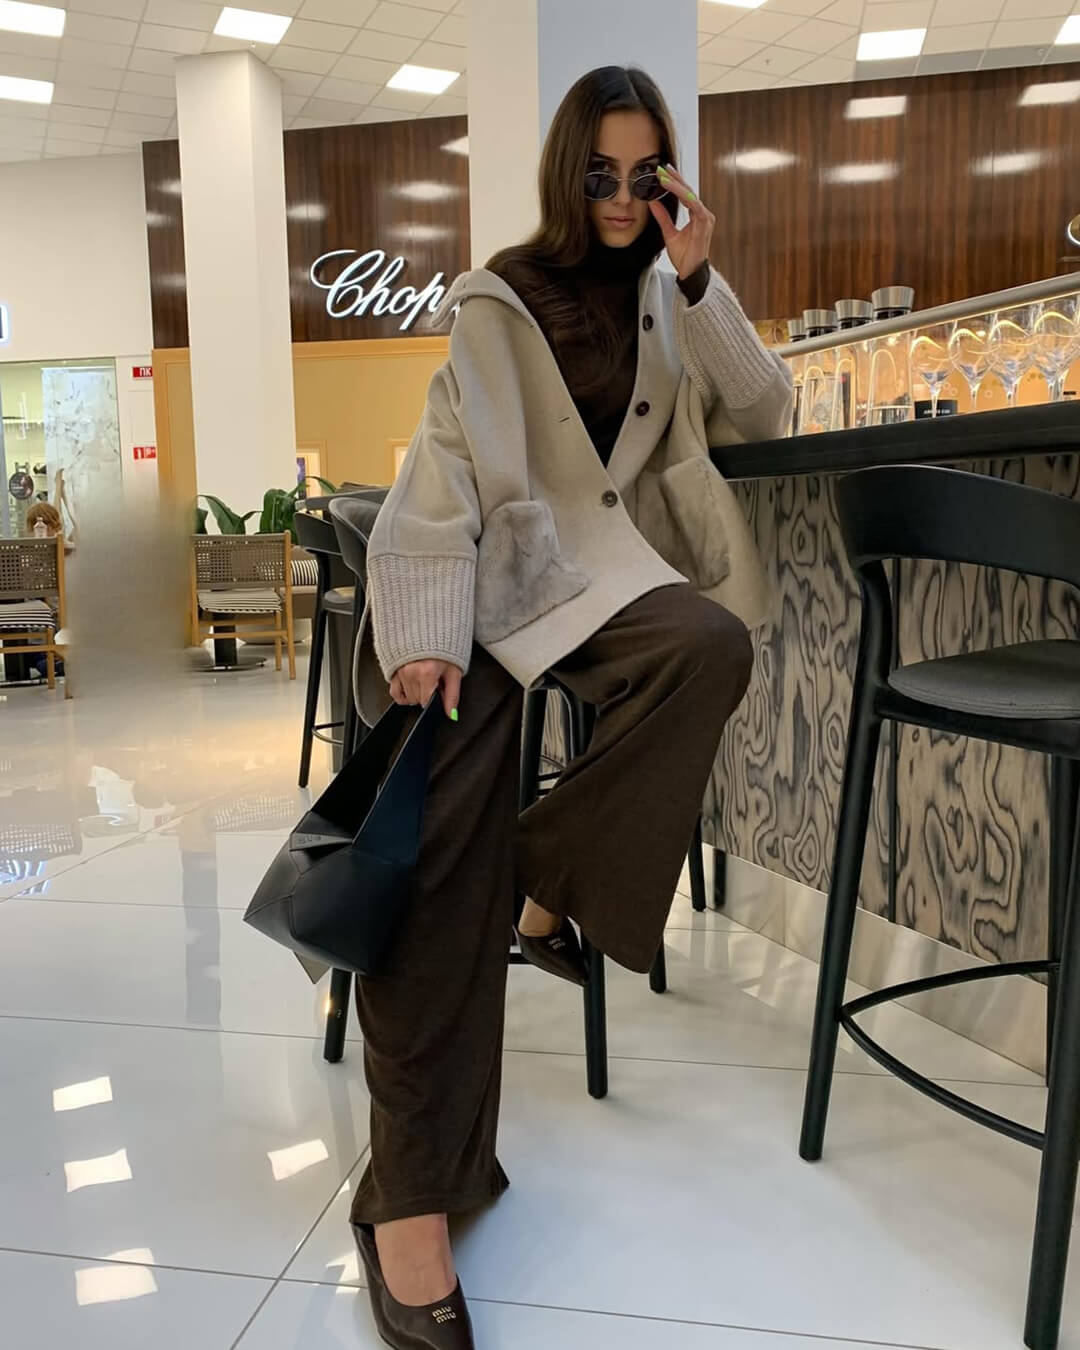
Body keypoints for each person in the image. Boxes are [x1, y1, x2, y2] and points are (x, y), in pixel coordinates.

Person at [347, 66, 792, 1349]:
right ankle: (410, 1202)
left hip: (604, 589)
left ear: (670, 181)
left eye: (644, 174)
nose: (621, 195)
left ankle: (536, 885)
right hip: (492, 592)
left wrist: (701, 281)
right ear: (566, 173)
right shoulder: (501, 295)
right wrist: (423, 637)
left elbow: (768, 412)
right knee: (440, 856)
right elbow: (441, 469)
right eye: (600, 172)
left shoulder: (665, 301)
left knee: (709, 646)